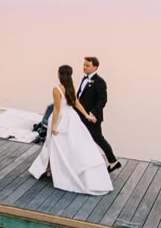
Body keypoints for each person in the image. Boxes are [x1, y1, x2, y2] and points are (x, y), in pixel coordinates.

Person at [29, 65, 113, 195]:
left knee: (54, 145)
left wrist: (54, 126)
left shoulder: (57, 89)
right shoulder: (70, 87)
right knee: (70, 146)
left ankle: (51, 169)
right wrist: (86, 115)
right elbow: (76, 103)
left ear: (59, 74)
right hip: (72, 118)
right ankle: (50, 168)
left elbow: (57, 109)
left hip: (61, 119)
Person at [77, 57, 121, 173]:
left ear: (95, 67)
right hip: (81, 115)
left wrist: (93, 113)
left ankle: (113, 162)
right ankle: (82, 162)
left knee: (98, 138)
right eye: (84, 65)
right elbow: (80, 96)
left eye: (87, 65)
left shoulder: (99, 81)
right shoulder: (84, 78)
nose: (84, 67)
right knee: (81, 138)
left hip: (92, 117)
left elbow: (102, 100)